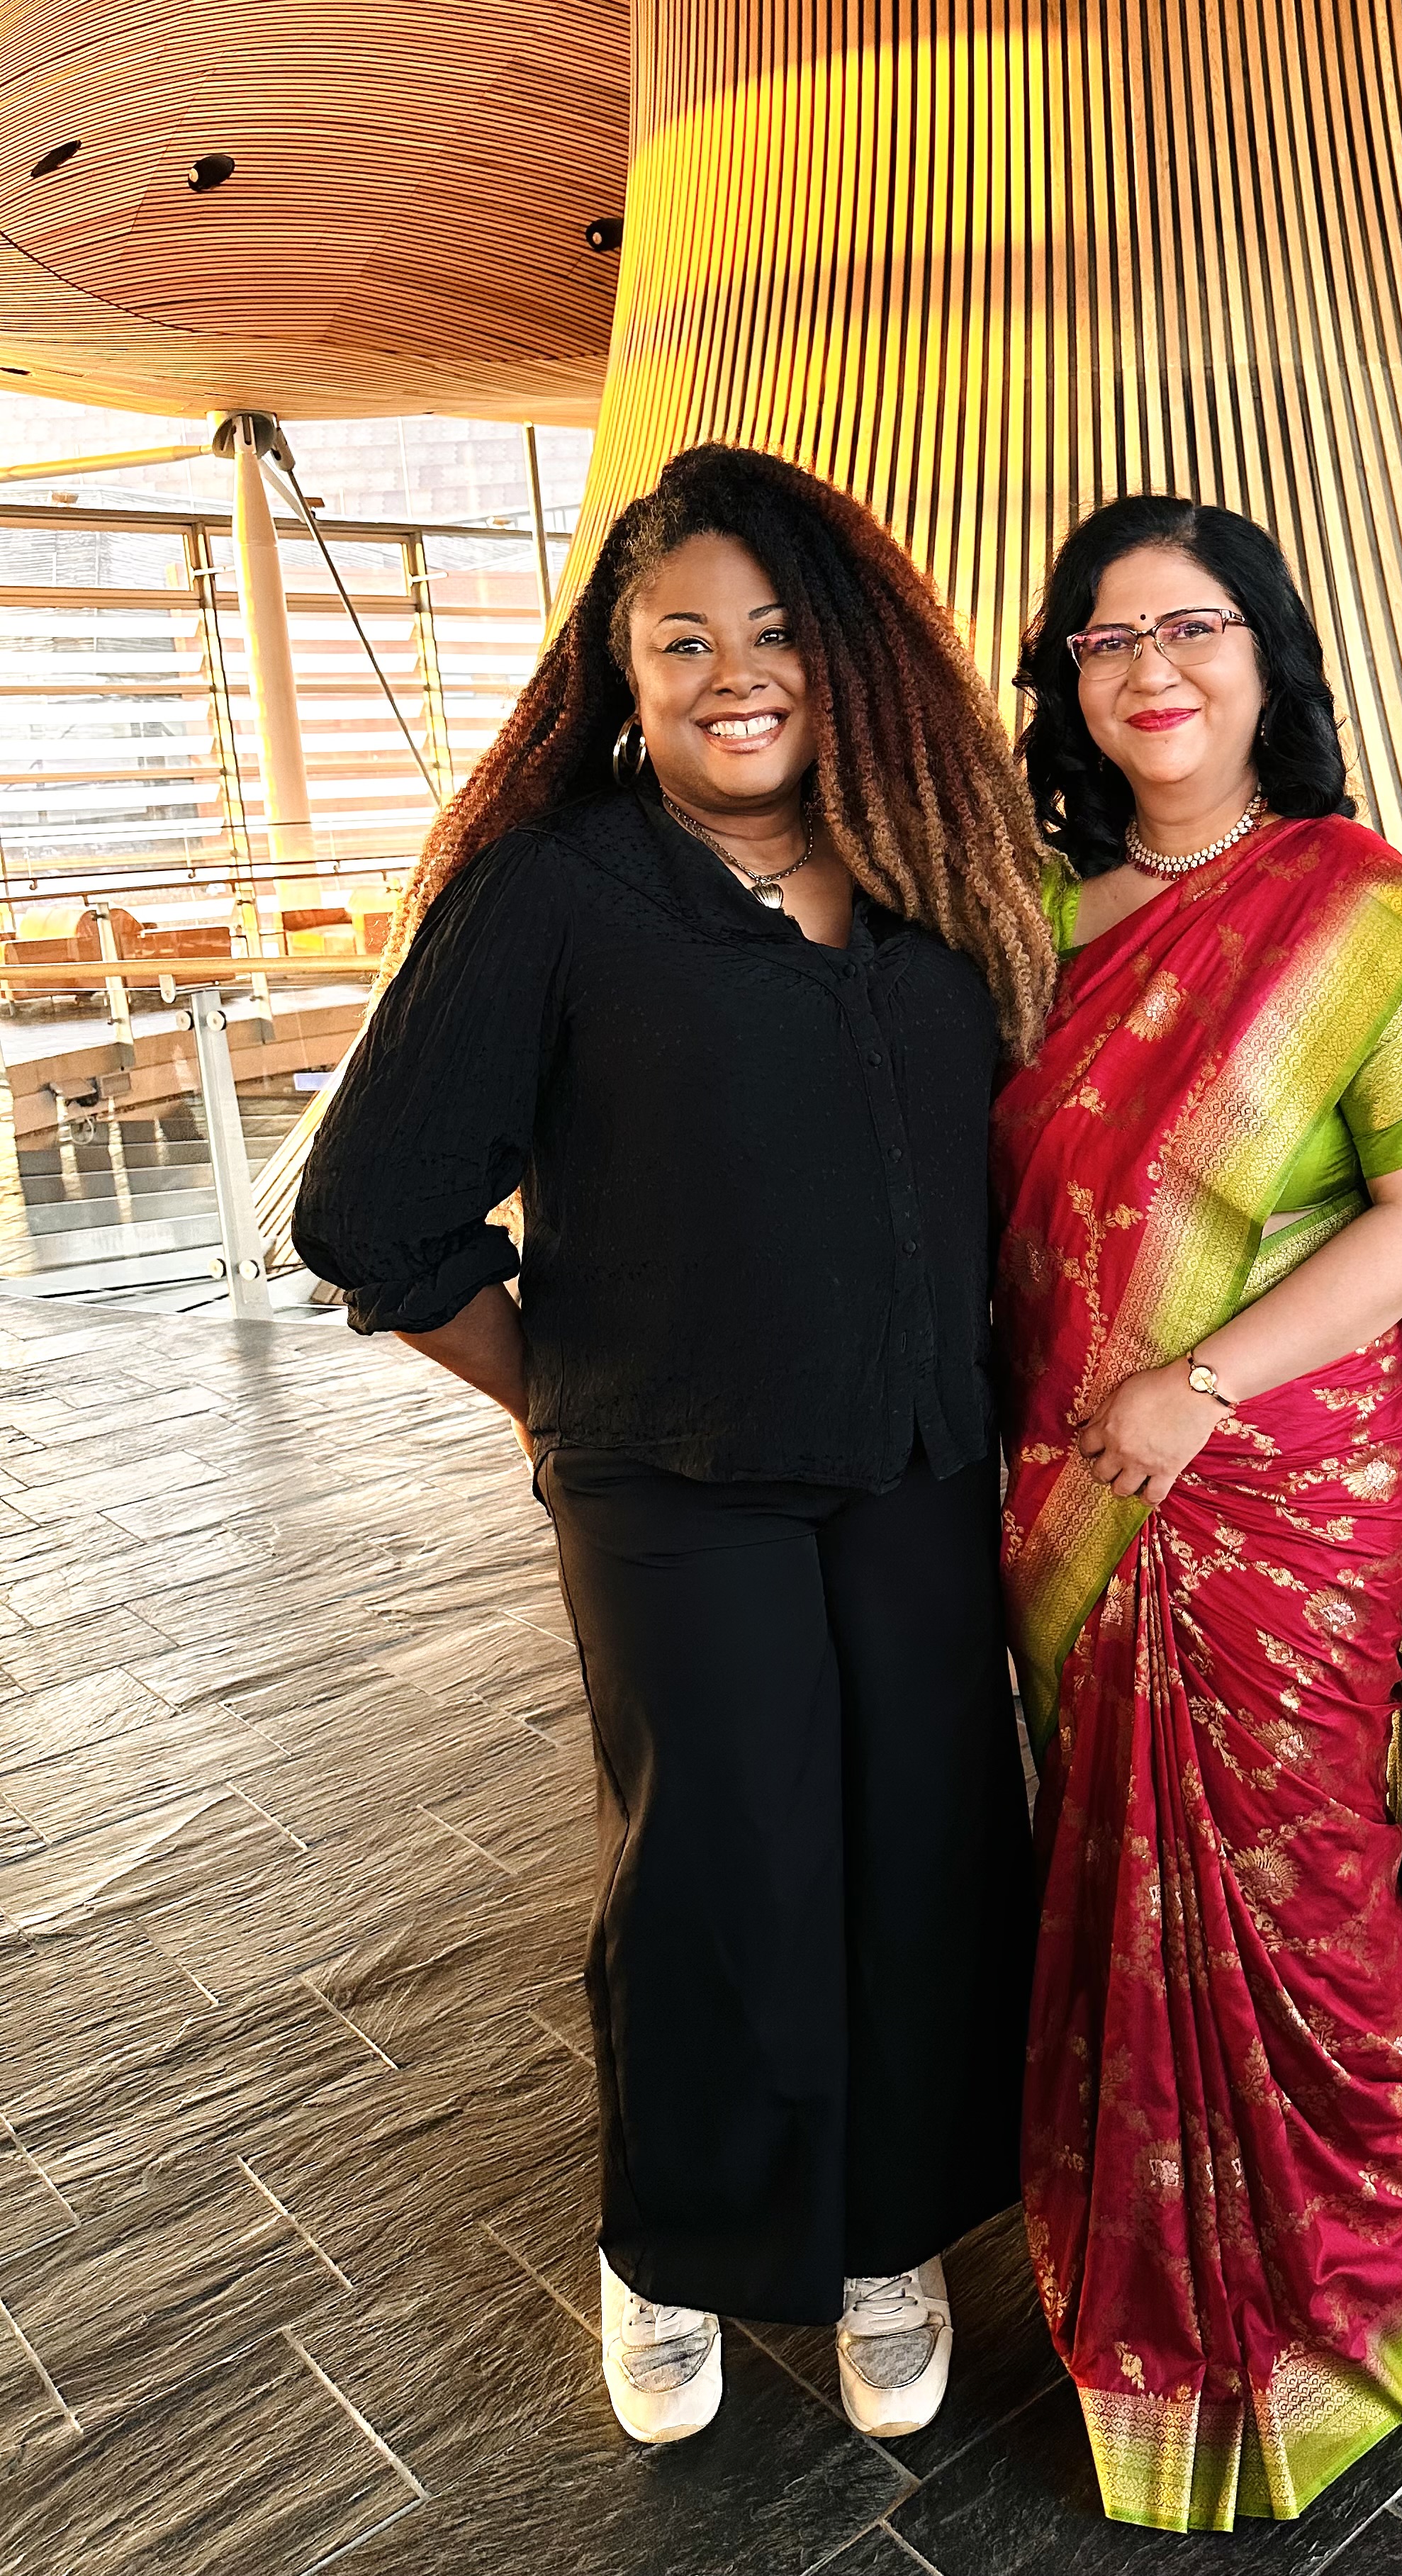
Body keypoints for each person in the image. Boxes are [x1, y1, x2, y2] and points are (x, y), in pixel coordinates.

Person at [293, 443, 1050, 2451]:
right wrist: (562, 1400)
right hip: (671, 1489)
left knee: (925, 1843)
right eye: (682, 638)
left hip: (913, 1460)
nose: (736, 674)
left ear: (849, 652)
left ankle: (883, 2236)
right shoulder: (559, 892)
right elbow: (371, 1213)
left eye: (775, 631)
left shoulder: (937, 877)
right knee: (727, 1860)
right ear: (618, 673)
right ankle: (679, 2245)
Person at [992, 496, 1402, 2532]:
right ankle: (1149, 2319)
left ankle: (1330, 2299)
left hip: (1288, 1483)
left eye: (1194, 629)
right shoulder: (1028, 925)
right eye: (1106, 639)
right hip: (1080, 1489)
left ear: (1267, 661)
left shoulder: (1349, 915)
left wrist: (1202, 1385)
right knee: (1109, 1888)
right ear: (1068, 683)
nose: (1151, 669)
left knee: (1297, 1882)